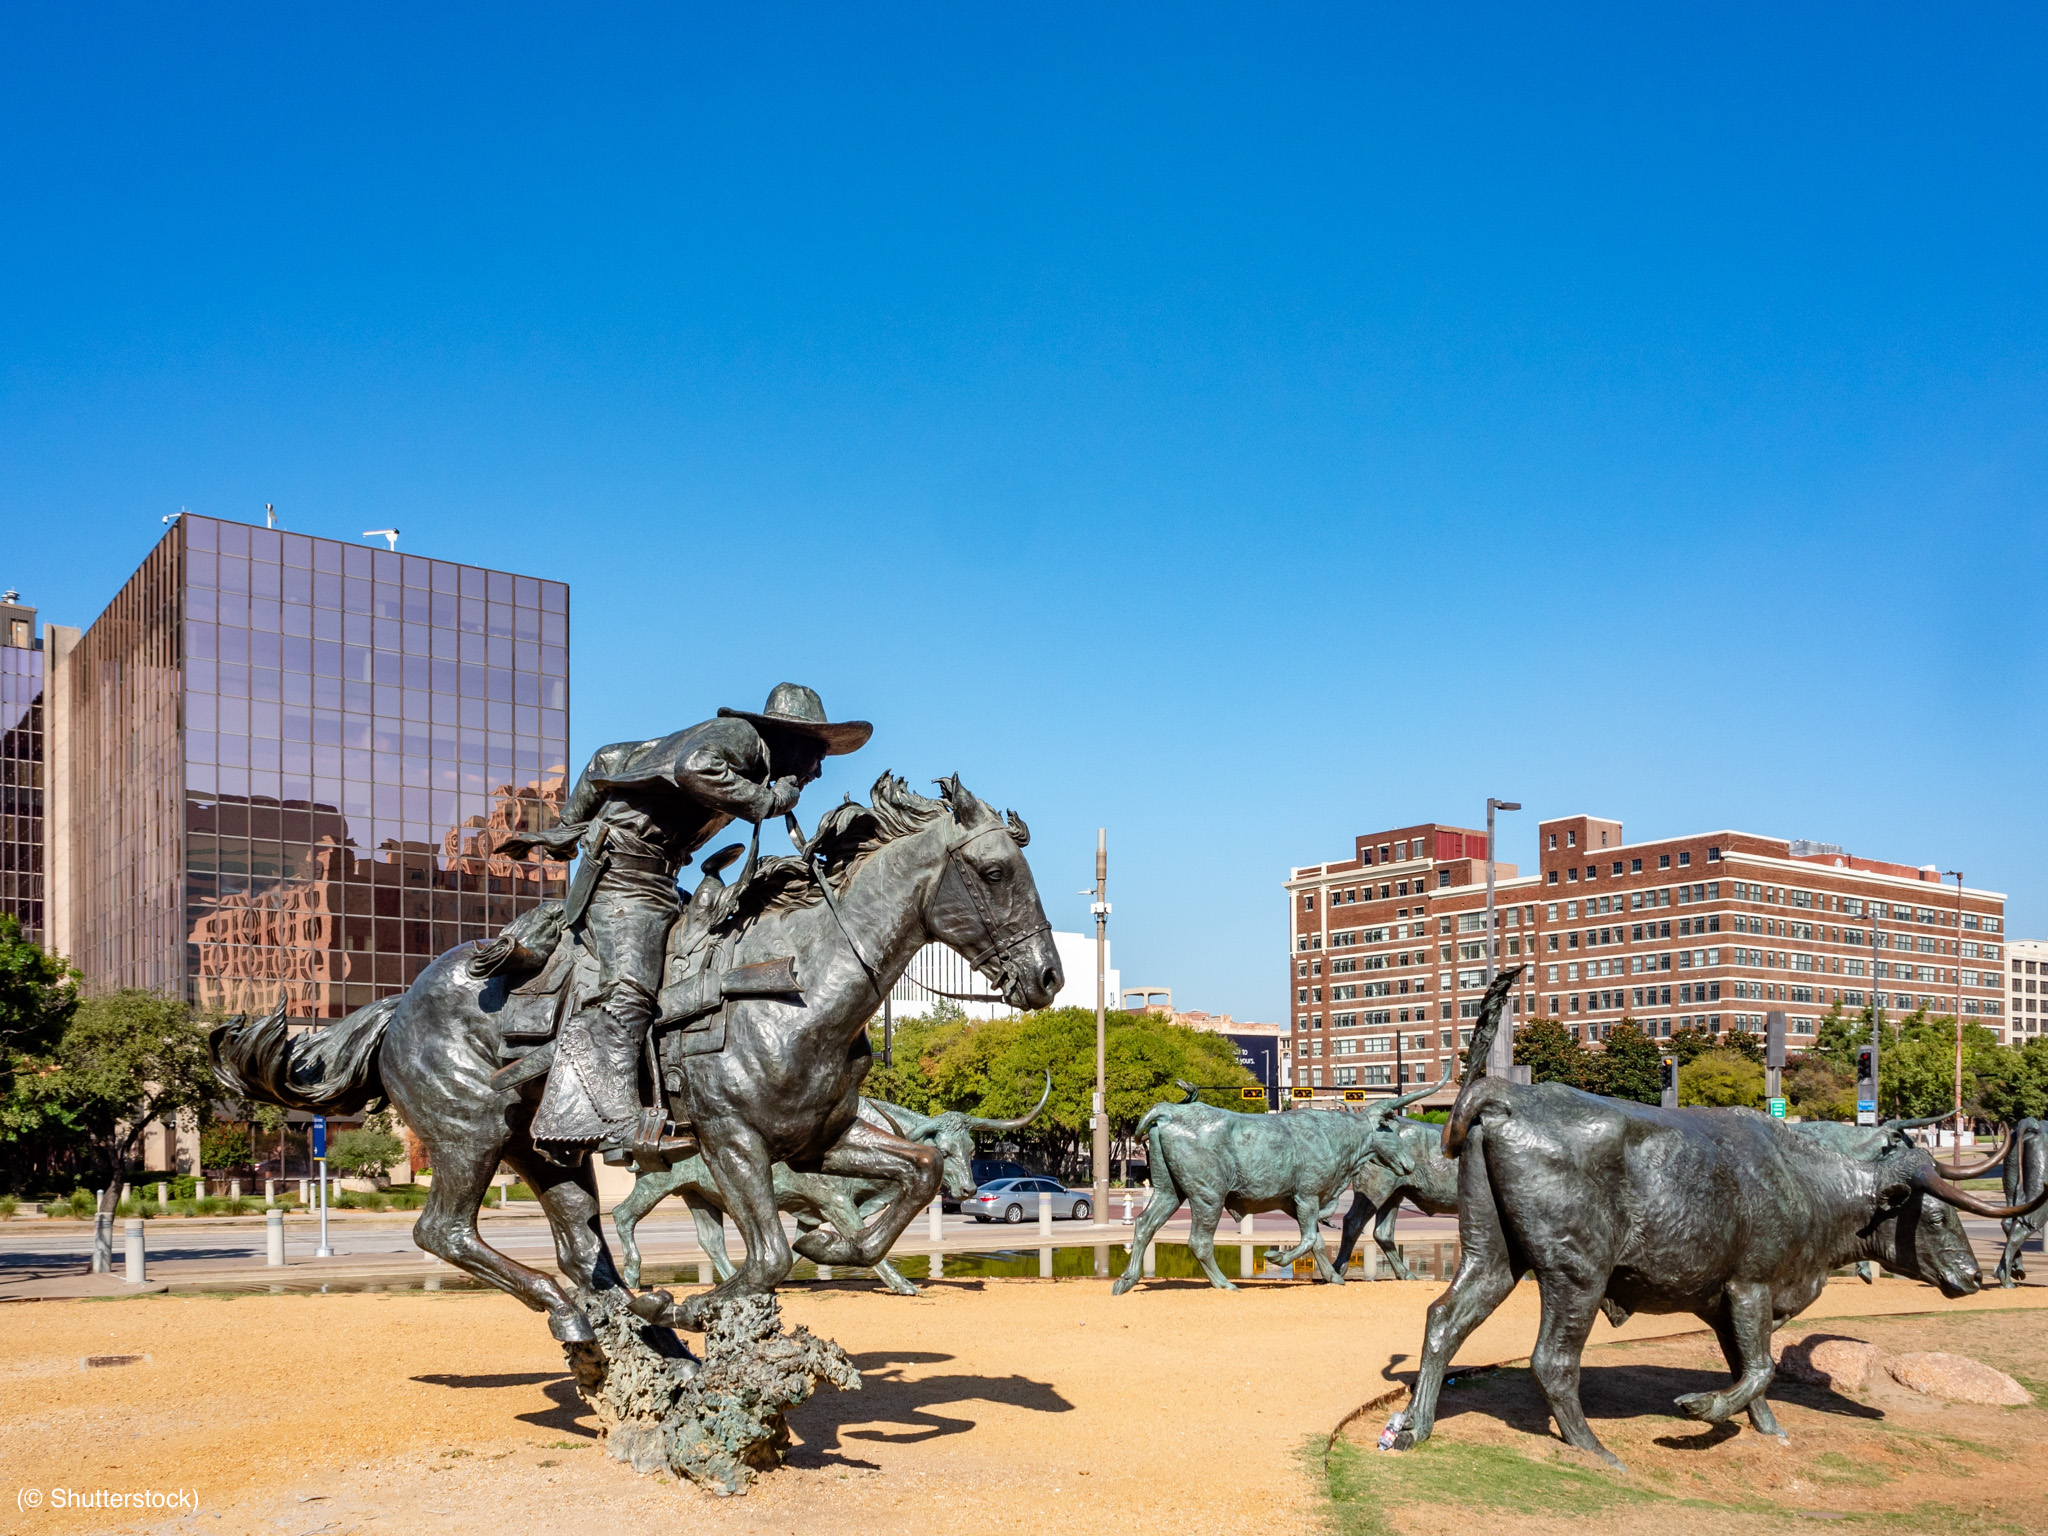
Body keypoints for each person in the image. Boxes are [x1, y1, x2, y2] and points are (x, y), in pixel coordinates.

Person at [500, 683, 870, 1151]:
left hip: (659, 879)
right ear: (790, 740)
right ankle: (608, 1119)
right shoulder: (741, 738)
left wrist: (568, 827)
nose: (818, 770)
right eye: (817, 754)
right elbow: (693, 767)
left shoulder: (748, 758)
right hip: (624, 879)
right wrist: (769, 802)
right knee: (630, 989)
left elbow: (605, 759)